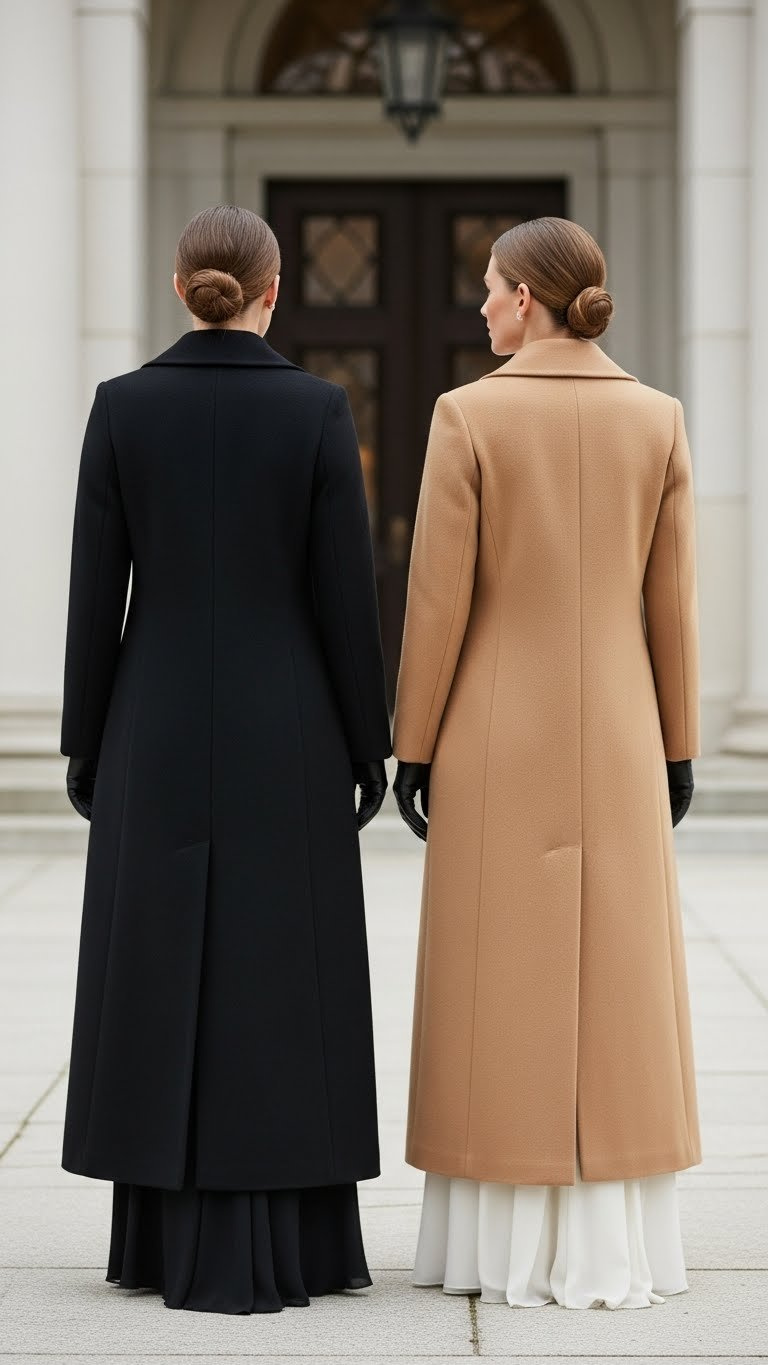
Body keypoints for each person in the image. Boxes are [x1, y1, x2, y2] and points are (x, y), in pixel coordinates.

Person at [60, 204, 391, 1314]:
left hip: (153, 718)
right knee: (280, 971)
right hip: (286, 722)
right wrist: (369, 744)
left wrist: (84, 739)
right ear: (273, 290)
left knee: (156, 966)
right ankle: (297, 1235)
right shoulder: (316, 409)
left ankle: (158, 1234)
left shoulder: (121, 408)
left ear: (178, 286)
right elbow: (348, 599)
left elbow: (94, 593)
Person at [392, 216, 700, 1310]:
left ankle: (496, 1245)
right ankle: (616, 1238)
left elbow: (439, 597)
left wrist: (412, 745)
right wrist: (678, 744)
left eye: (488, 289)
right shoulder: (657, 418)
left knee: (496, 980)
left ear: (528, 298)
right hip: (619, 725)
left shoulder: (468, 415)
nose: (478, 307)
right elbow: (672, 600)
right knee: (618, 981)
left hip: (495, 725)